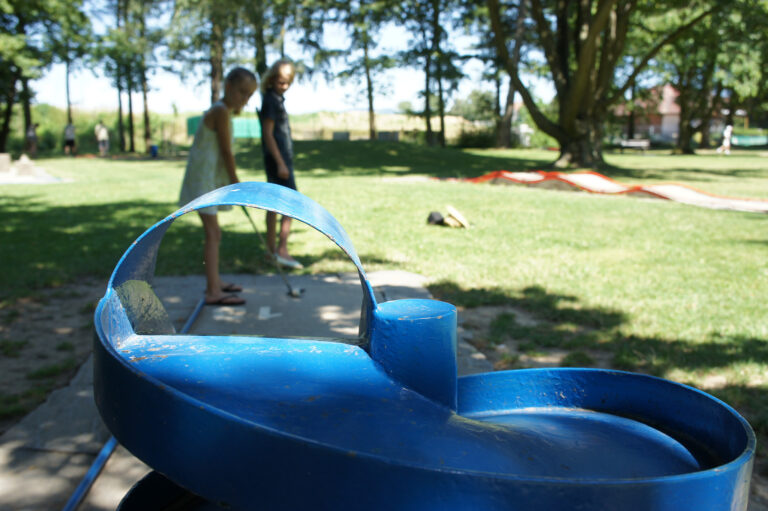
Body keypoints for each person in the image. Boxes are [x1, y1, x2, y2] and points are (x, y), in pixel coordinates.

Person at [178, 67, 258, 306]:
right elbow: (226, 152)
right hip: (203, 180)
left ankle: (216, 281)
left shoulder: (223, 112)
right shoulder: (221, 111)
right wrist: (236, 183)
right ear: (229, 87)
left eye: (249, 95)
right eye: (242, 92)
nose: (245, 99)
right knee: (213, 234)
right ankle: (213, 291)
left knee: (215, 233)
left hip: (206, 179)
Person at [259, 59, 303, 269]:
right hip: (278, 162)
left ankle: (271, 252)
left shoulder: (276, 99)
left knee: (275, 205)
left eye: (287, 82)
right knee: (290, 204)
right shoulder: (270, 100)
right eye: (280, 81)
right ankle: (280, 250)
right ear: (271, 78)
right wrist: (280, 163)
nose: (283, 85)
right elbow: (268, 134)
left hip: (282, 160)